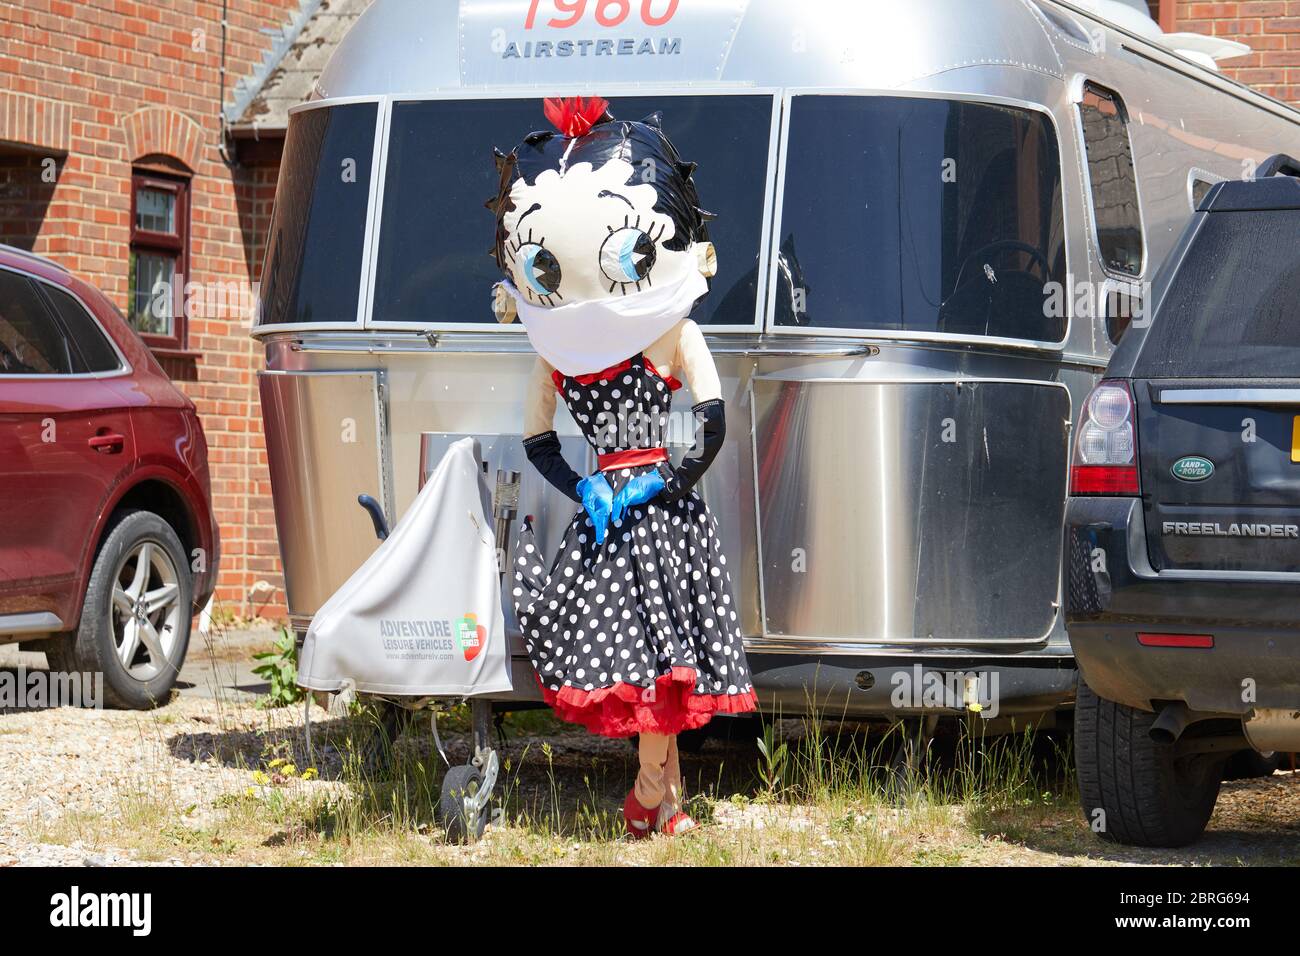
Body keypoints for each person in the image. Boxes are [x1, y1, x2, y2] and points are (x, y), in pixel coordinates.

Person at [488, 95, 757, 838]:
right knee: (647, 660)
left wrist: (619, 483)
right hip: (640, 512)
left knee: (658, 660)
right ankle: (650, 799)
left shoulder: (655, 333)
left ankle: (660, 803)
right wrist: (623, 484)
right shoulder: (624, 340)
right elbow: (708, 425)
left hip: (639, 509)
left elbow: (706, 424)